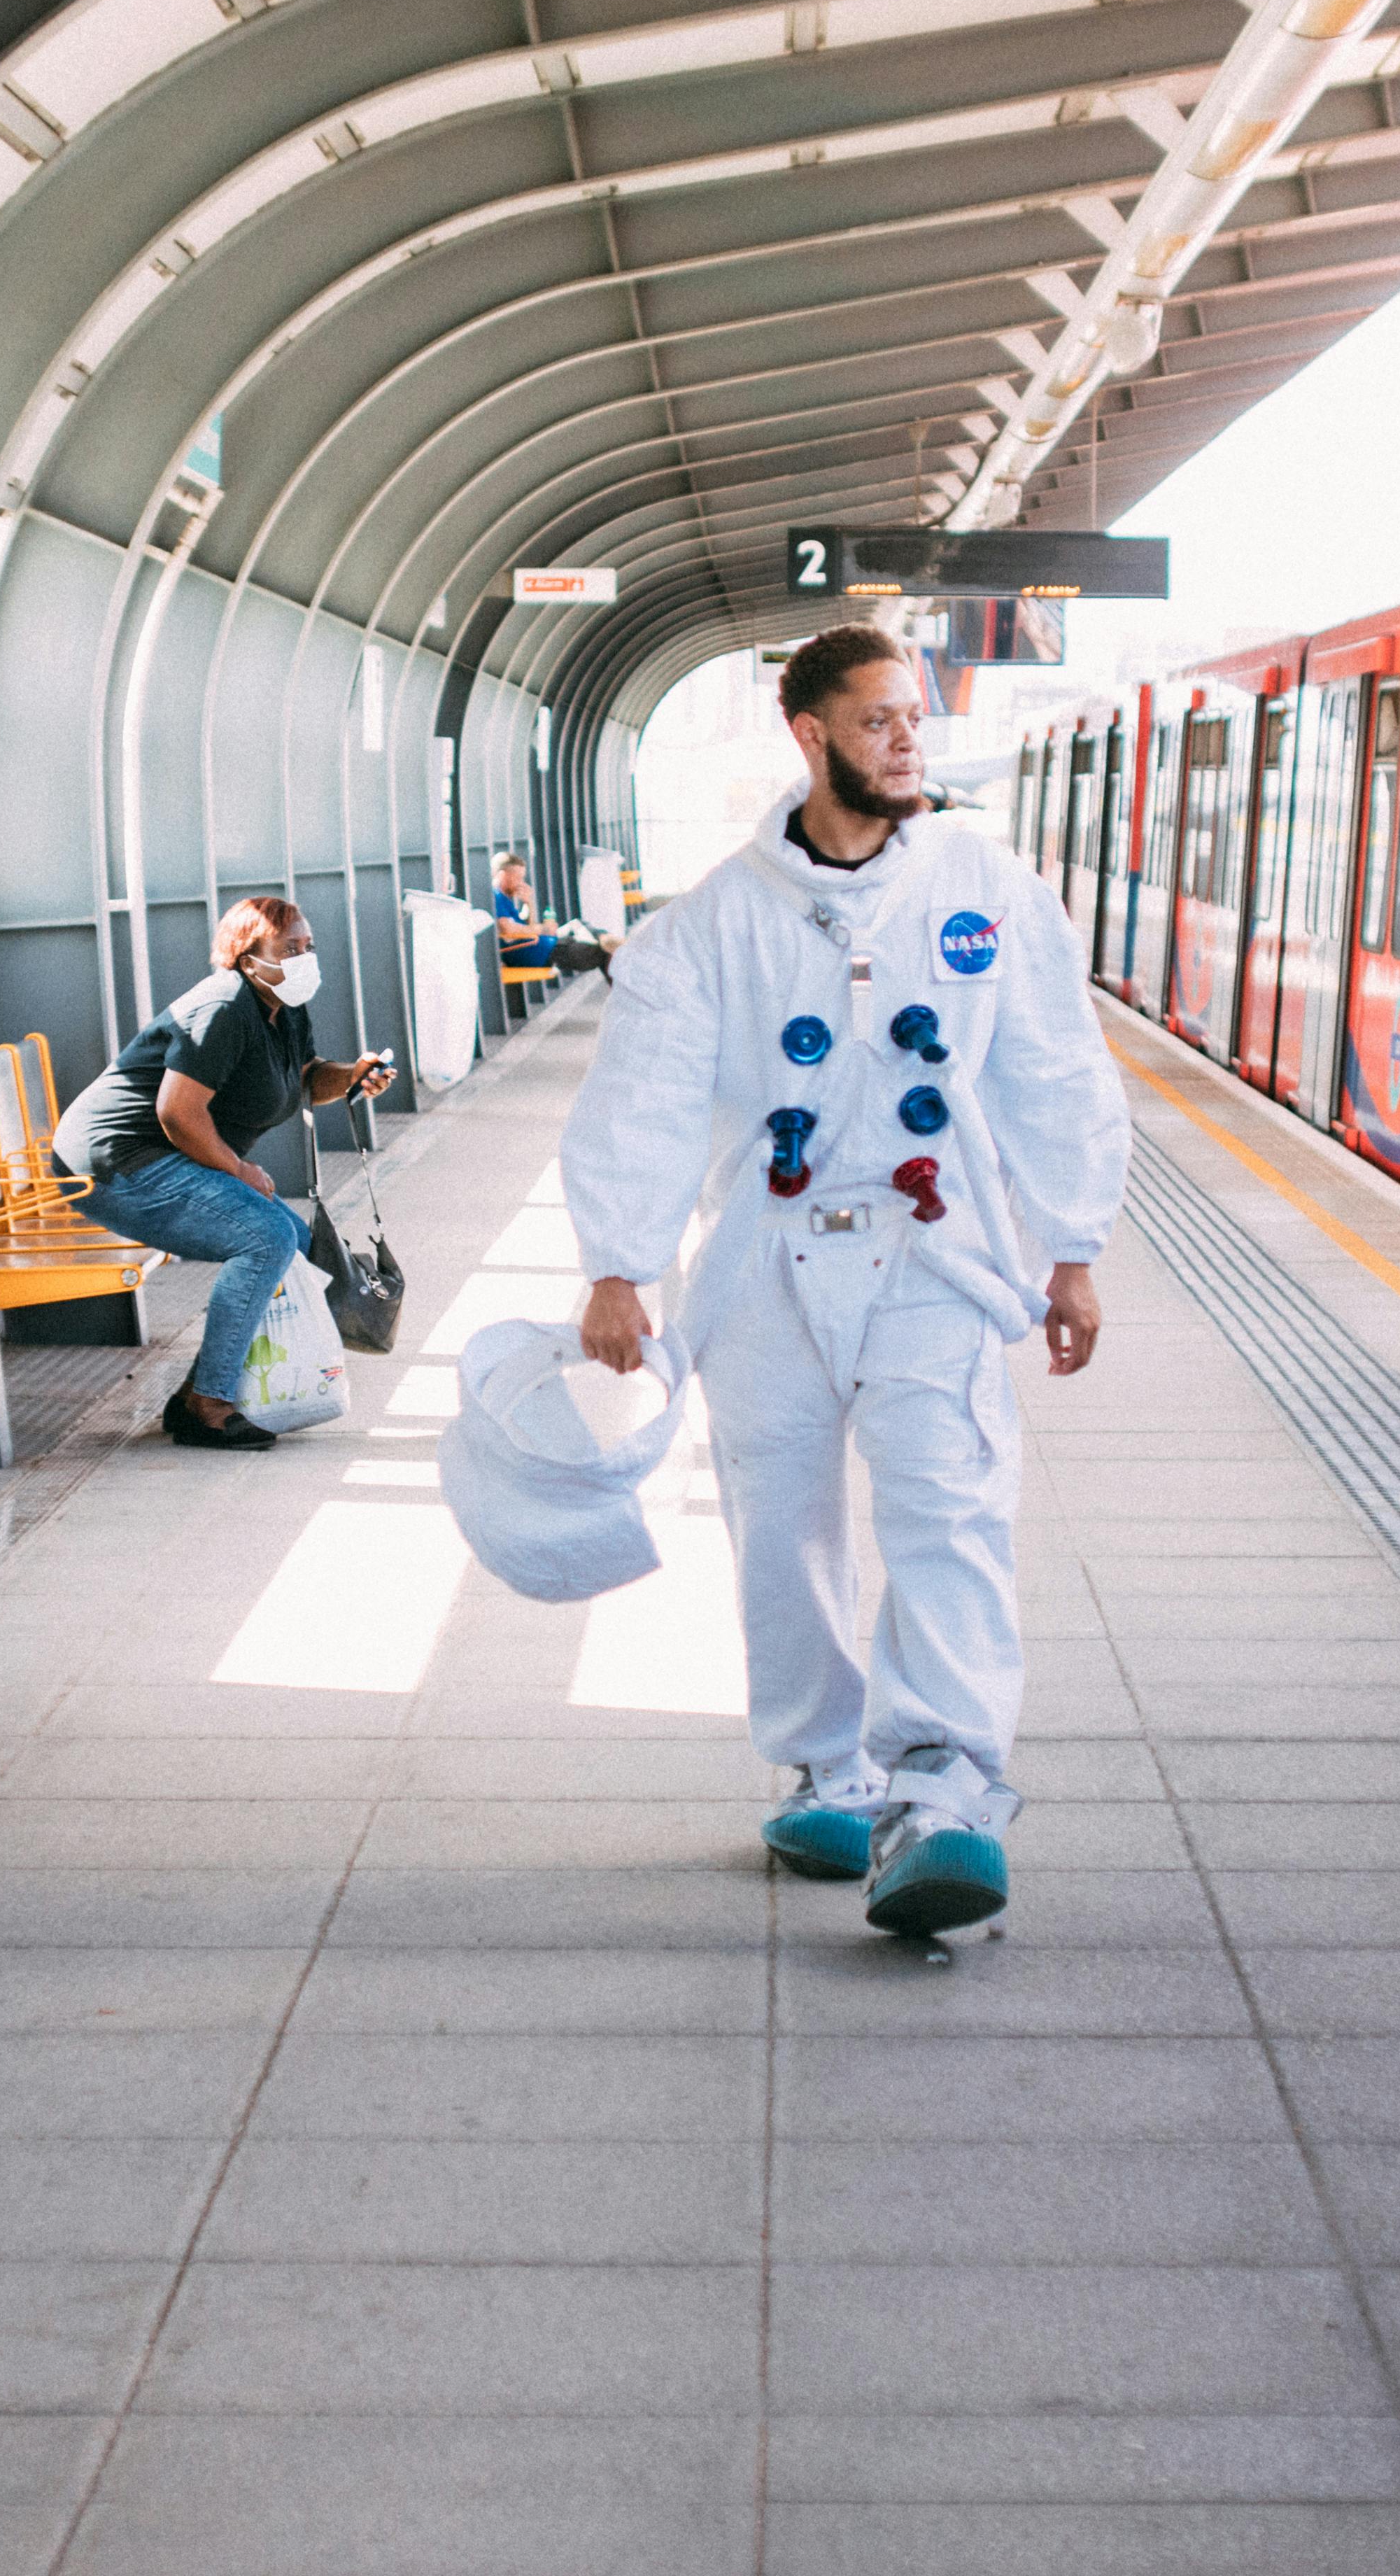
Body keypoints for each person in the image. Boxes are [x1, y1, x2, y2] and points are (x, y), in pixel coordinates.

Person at [560, 625, 1125, 1936]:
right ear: (808, 736)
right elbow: (639, 1100)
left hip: (938, 1259)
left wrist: (1074, 1249)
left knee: (949, 1511)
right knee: (781, 1520)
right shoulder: (713, 924)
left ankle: (945, 1790)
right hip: (769, 1261)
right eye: (877, 721)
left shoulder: (986, 895)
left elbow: (1053, 1068)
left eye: (912, 717)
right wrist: (618, 1267)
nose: (907, 741)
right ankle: (828, 1765)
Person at [59, 896, 396, 1451]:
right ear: (247, 958)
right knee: (265, 1239)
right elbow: (176, 1112)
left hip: (160, 1156)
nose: (304, 959)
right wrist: (238, 1169)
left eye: (308, 948)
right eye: (290, 949)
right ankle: (209, 1406)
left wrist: (353, 1078)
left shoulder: (283, 1006)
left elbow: (307, 1079)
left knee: (292, 1238)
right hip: (115, 1161)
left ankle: (196, 1393)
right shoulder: (223, 1009)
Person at [488, 850, 613, 979]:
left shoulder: (505, 898)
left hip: (545, 947)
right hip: (541, 953)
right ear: (502, 876)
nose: (521, 883)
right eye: (518, 878)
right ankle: (614, 943)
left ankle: (609, 939)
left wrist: (528, 903)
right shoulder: (496, 897)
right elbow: (508, 930)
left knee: (582, 926)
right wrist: (544, 929)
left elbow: (526, 927)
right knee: (605, 952)